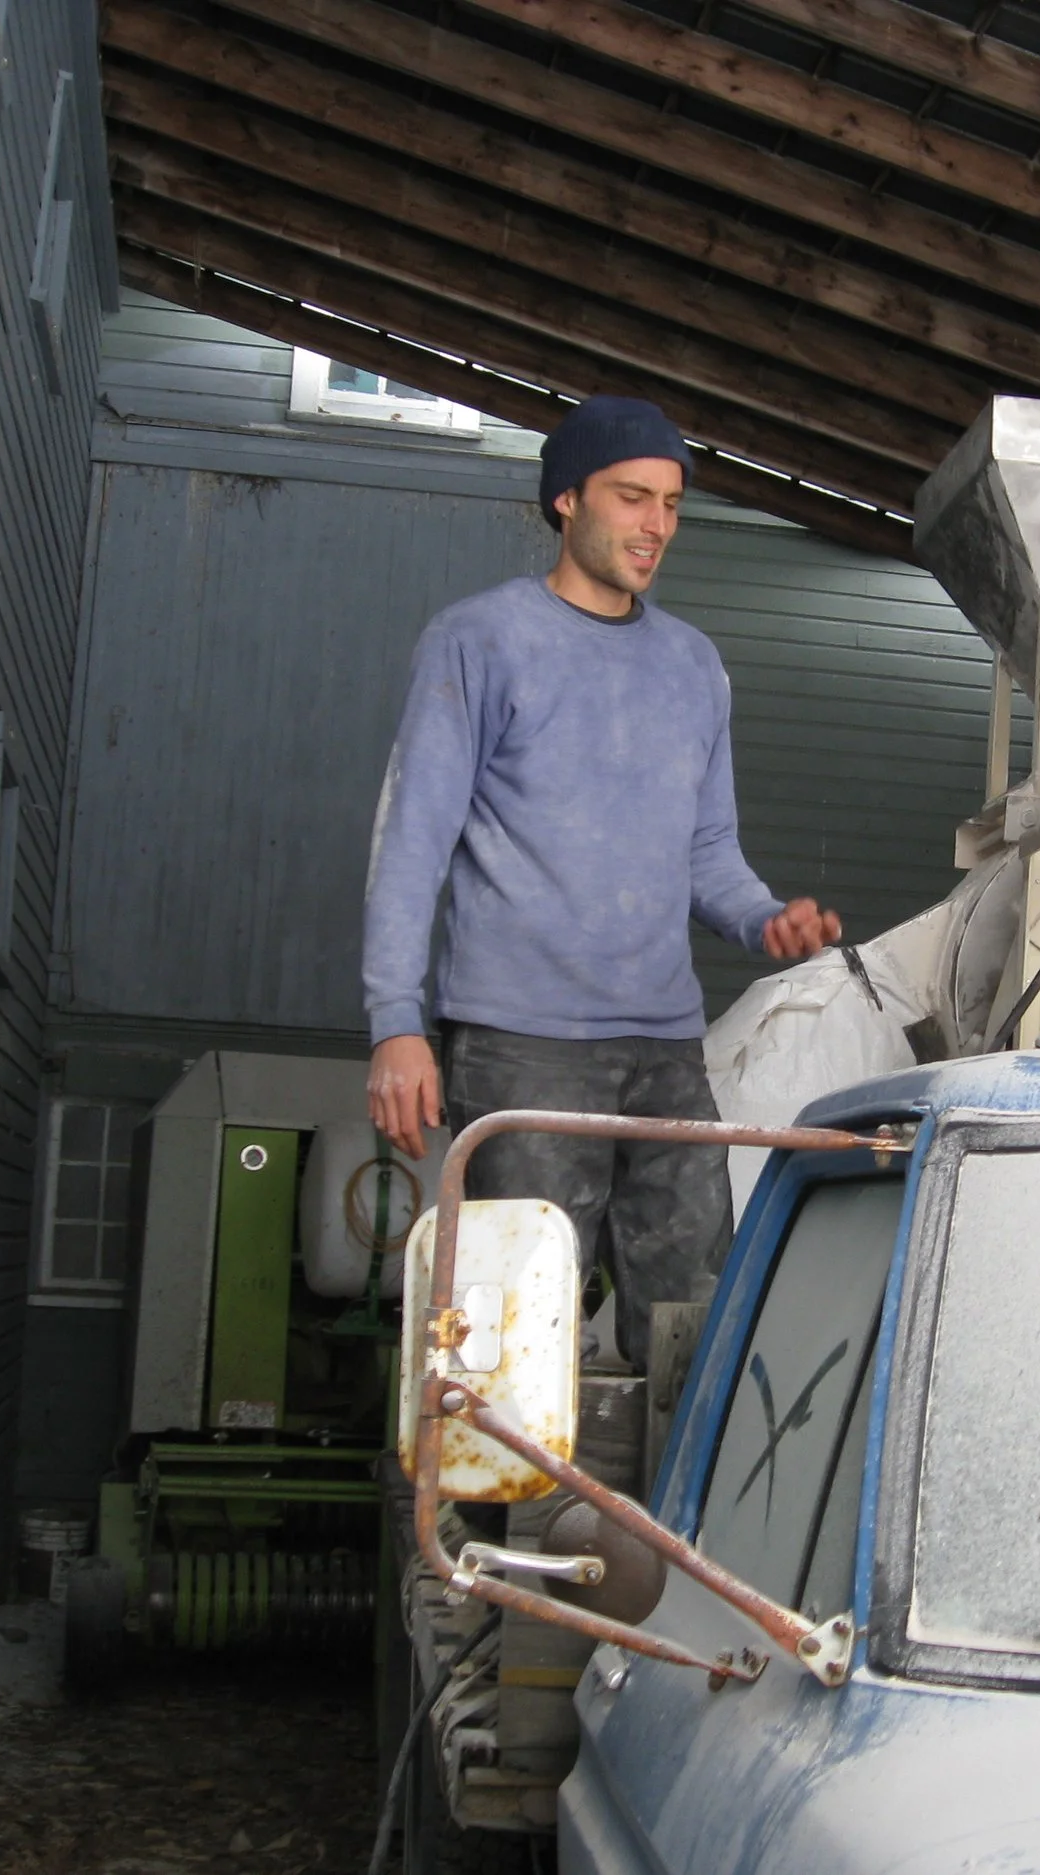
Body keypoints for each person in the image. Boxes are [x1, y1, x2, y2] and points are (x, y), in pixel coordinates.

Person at [362, 396, 840, 1367]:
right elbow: (413, 838)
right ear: (566, 499)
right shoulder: (479, 641)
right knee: (516, 1328)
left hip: (664, 1047)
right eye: (632, 498)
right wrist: (394, 1025)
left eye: (669, 503)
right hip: (519, 1044)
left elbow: (709, 853)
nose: (656, 525)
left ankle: (652, 1520)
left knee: (690, 1323)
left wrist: (764, 922)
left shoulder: (694, 667)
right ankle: (495, 1520)